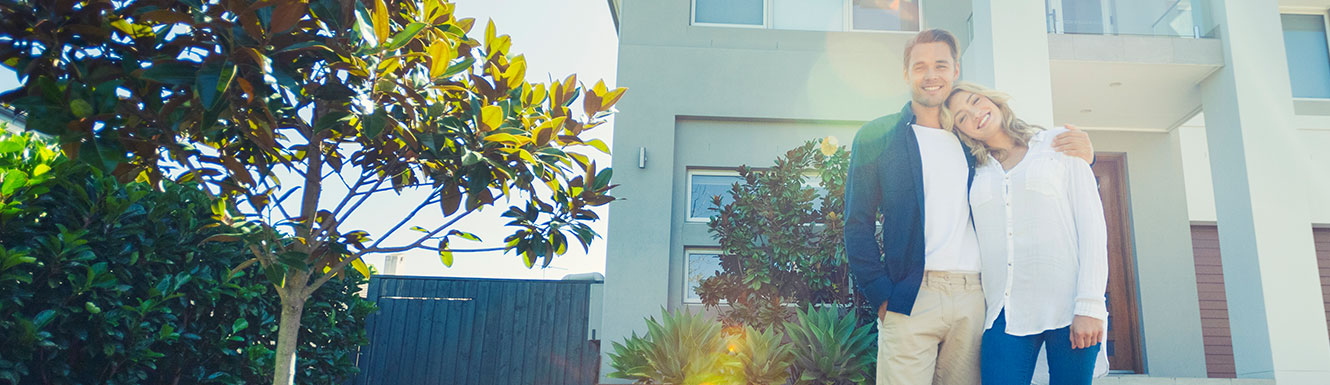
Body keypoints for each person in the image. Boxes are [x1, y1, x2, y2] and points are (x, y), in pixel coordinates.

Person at [844, 29, 1095, 385]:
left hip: (974, 299)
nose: (931, 75)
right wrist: (881, 294)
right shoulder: (877, 136)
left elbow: (1025, 176)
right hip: (911, 296)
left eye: (941, 65)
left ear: (955, 70)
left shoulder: (972, 141)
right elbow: (857, 223)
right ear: (906, 74)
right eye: (920, 67)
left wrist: (1086, 156)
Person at [939, 82, 1109, 385]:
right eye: (962, 117)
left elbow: (1092, 226)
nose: (976, 114)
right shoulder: (971, 170)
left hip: (1069, 306)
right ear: (960, 132)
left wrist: (1090, 304)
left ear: (993, 100)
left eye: (976, 101)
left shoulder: (1056, 143)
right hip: (1004, 313)